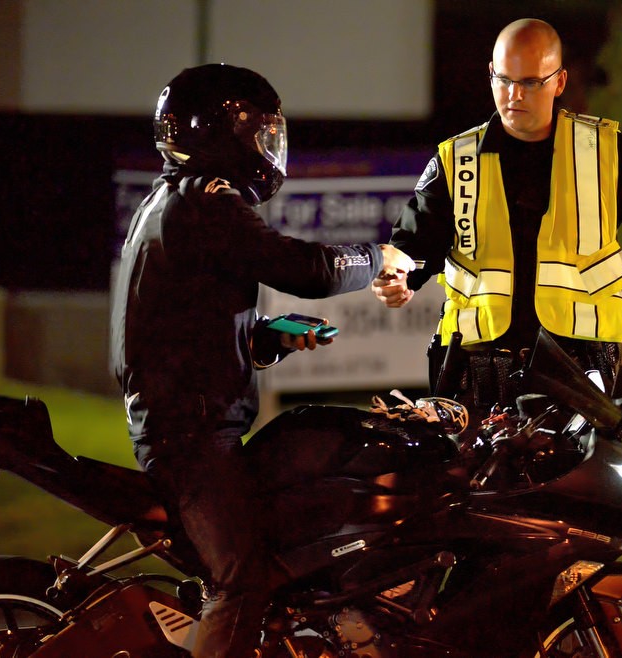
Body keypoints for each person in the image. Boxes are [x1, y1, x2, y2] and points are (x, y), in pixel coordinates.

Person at [109, 63, 413, 658]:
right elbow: (307, 269)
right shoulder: (202, 202)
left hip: (192, 424)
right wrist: (377, 258)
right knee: (240, 581)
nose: (269, 146)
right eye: (259, 132)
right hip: (189, 439)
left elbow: (188, 325)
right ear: (220, 134)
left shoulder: (174, 201)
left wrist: (269, 337)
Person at [372, 18, 622, 414]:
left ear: (559, 82)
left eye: (531, 82)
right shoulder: (456, 159)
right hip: (475, 372)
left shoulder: (606, 153)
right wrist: (399, 278)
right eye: (503, 79)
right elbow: (412, 248)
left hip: (581, 370)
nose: (514, 94)